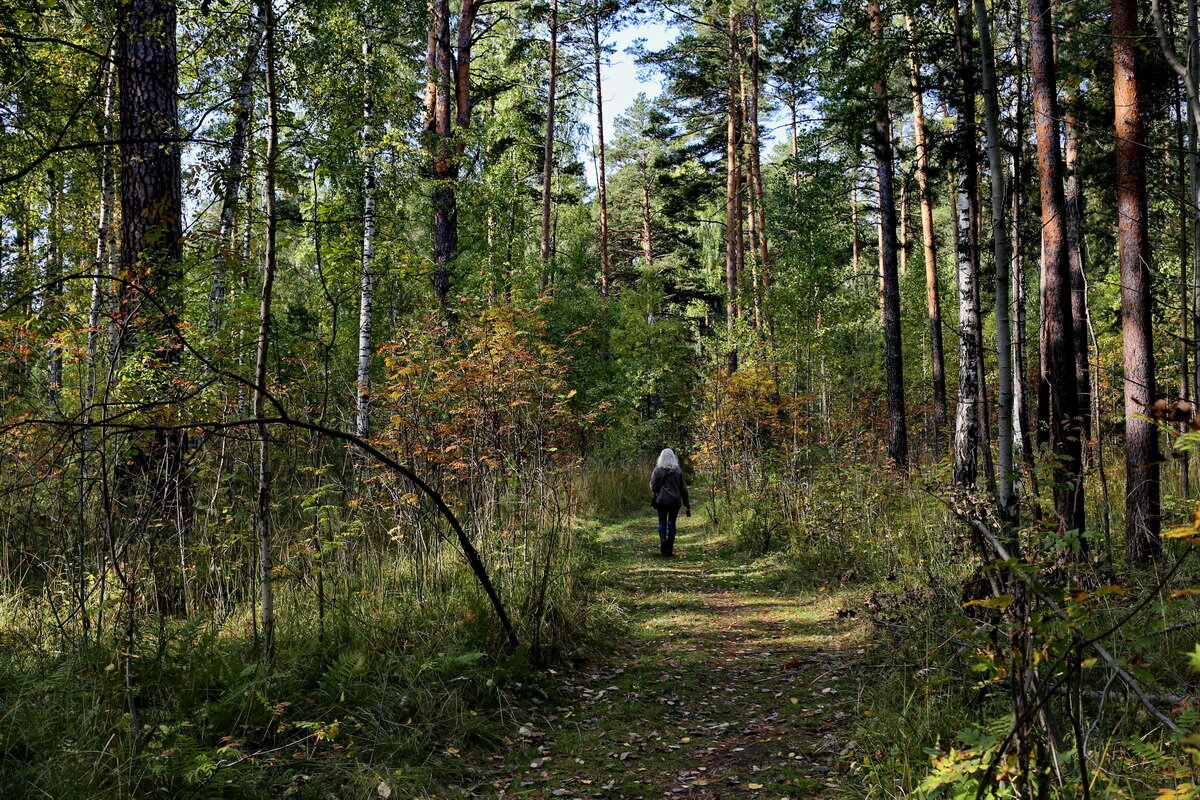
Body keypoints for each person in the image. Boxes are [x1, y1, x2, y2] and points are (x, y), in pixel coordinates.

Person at [650, 448, 690, 556]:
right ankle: (670, 548)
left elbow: (653, 486)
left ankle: (663, 541)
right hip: (675, 501)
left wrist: (658, 491)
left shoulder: (657, 470)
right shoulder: (678, 471)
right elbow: (683, 489)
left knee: (662, 522)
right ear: (673, 457)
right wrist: (686, 503)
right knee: (672, 522)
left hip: (662, 500)